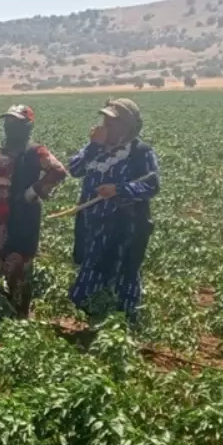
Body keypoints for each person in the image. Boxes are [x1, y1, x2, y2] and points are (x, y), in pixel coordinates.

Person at [67, 98, 160, 326]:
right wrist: (92, 146)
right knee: (92, 266)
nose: (105, 125)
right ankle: (93, 318)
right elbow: (75, 169)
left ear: (126, 127)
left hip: (123, 226)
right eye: (105, 120)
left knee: (123, 273)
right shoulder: (96, 149)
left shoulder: (140, 152)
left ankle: (125, 323)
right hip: (92, 223)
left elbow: (151, 185)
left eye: (112, 122)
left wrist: (118, 190)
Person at [0, 105, 67, 321]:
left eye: (17, 123)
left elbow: (58, 171)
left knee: (18, 266)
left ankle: (19, 318)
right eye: (8, 123)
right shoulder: (0, 152)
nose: (10, 128)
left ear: (28, 127)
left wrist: (33, 191)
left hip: (21, 219)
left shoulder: (35, 152)